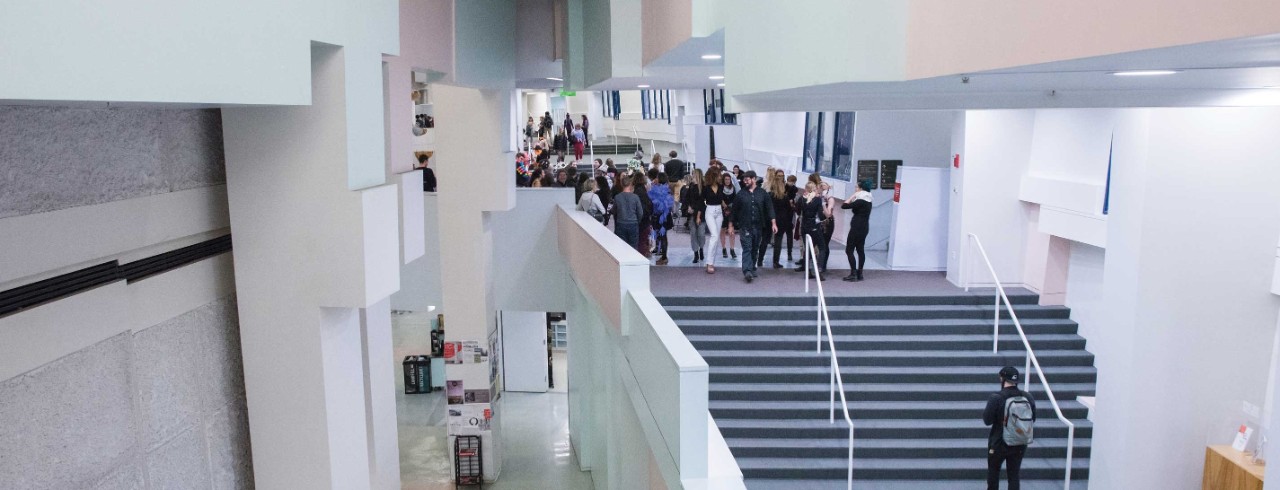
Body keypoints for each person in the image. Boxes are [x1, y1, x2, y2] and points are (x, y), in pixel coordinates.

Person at [984, 367, 1036, 490]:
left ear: (1002, 378)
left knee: (993, 474)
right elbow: (1032, 419)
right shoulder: (1028, 397)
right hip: (1019, 442)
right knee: (1014, 476)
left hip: (998, 443)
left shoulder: (996, 398)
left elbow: (987, 420)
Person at [729, 171, 777, 283]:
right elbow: (734, 211)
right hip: (745, 226)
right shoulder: (741, 194)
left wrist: (773, 223)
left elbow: (770, 209)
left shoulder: (763, 193)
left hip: (759, 226)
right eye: (744, 180)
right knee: (747, 248)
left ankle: (752, 267)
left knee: (755, 248)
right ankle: (747, 271)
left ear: (754, 179)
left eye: (747, 179)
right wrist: (730, 225)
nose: (745, 182)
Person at [794, 182, 833, 280]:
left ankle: (808, 271)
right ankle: (819, 270)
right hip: (815, 226)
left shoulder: (801, 199)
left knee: (808, 249)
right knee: (822, 247)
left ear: (806, 189)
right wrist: (826, 215)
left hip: (804, 226)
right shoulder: (817, 200)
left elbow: (798, 211)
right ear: (814, 189)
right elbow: (820, 215)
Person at [841, 179, 874, 281]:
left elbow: (844, 205)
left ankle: (853, 274)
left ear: (860, 189)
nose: (855, 189)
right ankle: (860, 274)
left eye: (856, 187)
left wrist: (852, 196)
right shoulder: (869, 200)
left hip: (856, 227)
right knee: (860, 250)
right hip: (864, 227)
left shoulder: (860, 200)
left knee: (849, 250)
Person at [701, 167, 728, 274]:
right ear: (714, 176)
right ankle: (709, 263)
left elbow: (721, 199)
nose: (721, 177)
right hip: (710, 211)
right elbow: (701, 200)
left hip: (719, 212)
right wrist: (699, 214)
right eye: (719, 175)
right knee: (714, 235)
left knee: (715, 239)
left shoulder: (721, 186)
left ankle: (711, 261)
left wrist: (725, 207)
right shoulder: (706, 187)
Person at [768, 171, 794, 268]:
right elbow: (789, 209)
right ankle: (776, 261)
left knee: (776, 240)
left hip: (774, 218)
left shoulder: (771, 195)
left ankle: (767, 260)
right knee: (779, 240)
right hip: (783, 220)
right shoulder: (785, 197)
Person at [683, 169, 707, 264]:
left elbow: (702, 201)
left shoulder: (703, 187)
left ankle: (701, 248)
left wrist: (697, 212)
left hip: (701, 213)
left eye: (693, 174)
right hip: (692, 213)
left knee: (701, 233)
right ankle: (695, 253)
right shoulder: (691, 186)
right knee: (693, 234)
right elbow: (687, 198)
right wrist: (688, 207)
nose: (692, 175)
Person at [649, 174, 674, 265]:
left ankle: (664, 257)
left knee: (662, 237)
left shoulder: (656, 190)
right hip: (666, 216)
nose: (656, 179)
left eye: (657, 178)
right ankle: (663, 255)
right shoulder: (668, 189)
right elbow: (670, 204)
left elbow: (654, 204)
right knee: (663, 236)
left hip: (659, 216)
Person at [612, 176, 643, 247]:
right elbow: (640, 212)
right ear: (630, 184)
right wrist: (637, 221)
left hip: (621, 223)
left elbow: (614, 211)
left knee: (621, 246)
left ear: (621, 184)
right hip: (633, 223)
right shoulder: (635, 197)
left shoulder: (617, 197)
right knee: (633, 246)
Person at [633, 173, 654, 257]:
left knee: (641, 241)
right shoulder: (643, 191)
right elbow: (649, 205)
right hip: (645, 219)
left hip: (641, 220)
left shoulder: (637, 191)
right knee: (643, 240)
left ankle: (641, 258)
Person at [719, 172, 738, 259]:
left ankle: (732, 249)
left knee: (732, 231)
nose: (727, 181)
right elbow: (719, 198)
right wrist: (724, 206)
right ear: (723, 180)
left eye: (728, 179)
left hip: (731, 211)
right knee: (722, 230)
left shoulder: (733, 188)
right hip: (722, 211)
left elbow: (735, 200)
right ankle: (723, 248)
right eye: (726, 179)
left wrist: (729, 208)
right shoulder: (720, 188)